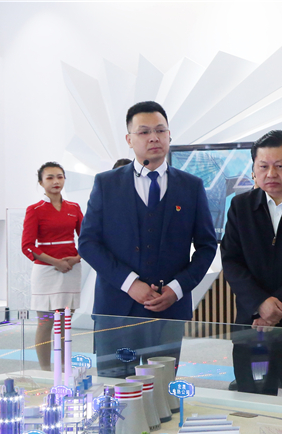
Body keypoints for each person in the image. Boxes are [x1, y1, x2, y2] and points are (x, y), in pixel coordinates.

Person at [78, 100, 217, 377]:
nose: (154, 137)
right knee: (117, 391)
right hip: (116, 310)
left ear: (169, 136)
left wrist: (177, 288)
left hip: (169, 310)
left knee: (161, 392)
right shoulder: (106, 184)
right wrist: (130, 284)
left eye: (160, 130)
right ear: (129, 139)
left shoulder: (191, 186)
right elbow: (88, 243)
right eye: (144, 132)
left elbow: (206, 246)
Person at [220, 130, 282, 394]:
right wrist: (260, 304)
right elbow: (231, 261)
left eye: (280, 166)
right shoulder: (241, 206)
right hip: (253, 324)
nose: (271, 174)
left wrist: (277, 305)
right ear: (254, 168)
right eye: (263, 166)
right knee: (253, 404)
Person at [21, 162, 83, 370]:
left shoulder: (74, 208)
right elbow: (27, 245)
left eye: (60, 176)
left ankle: (64, 369)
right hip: (46, 270)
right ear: (41, 182)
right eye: (50, 177)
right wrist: (56, 262)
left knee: (65, 322)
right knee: (46, 322)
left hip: (71, 269)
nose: (56, 181)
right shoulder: (35, 209)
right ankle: (46, 371)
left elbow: (87, 239)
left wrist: (76, 258)